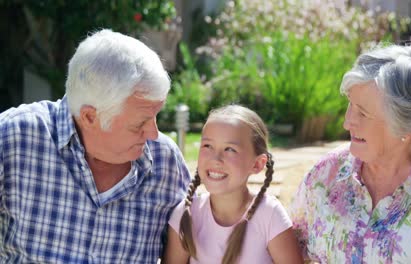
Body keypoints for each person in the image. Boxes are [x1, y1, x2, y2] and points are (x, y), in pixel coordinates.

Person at [0, 29, 191, 262]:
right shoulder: (13, 139)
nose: (153, 133)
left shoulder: (167, 162)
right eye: (139, 123)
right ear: (90, 117)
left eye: (155, 116)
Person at [289, 44, 411, 263]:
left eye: (362, 113)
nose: (347, 122)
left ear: (405, 126)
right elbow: (288, 251)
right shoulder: (326, 173)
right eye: (350, 105)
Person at [163, 105, 303, 264]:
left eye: (230, 149)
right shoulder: (186, 214)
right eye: (207, 146)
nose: (216, 159)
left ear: (257, 164)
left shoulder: (270, 215)